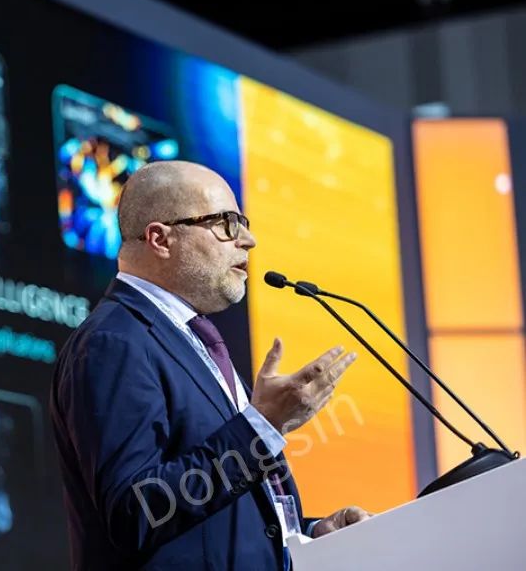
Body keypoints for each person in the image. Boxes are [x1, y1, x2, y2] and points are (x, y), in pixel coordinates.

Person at [50, 160, 371, 570]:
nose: (249, 240)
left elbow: (212, 524)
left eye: (244, 223)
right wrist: (261, 427)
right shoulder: (114, 342)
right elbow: (136, 513)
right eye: (226, 224)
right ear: (160, 239)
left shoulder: (190, 338)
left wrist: (306, 535)